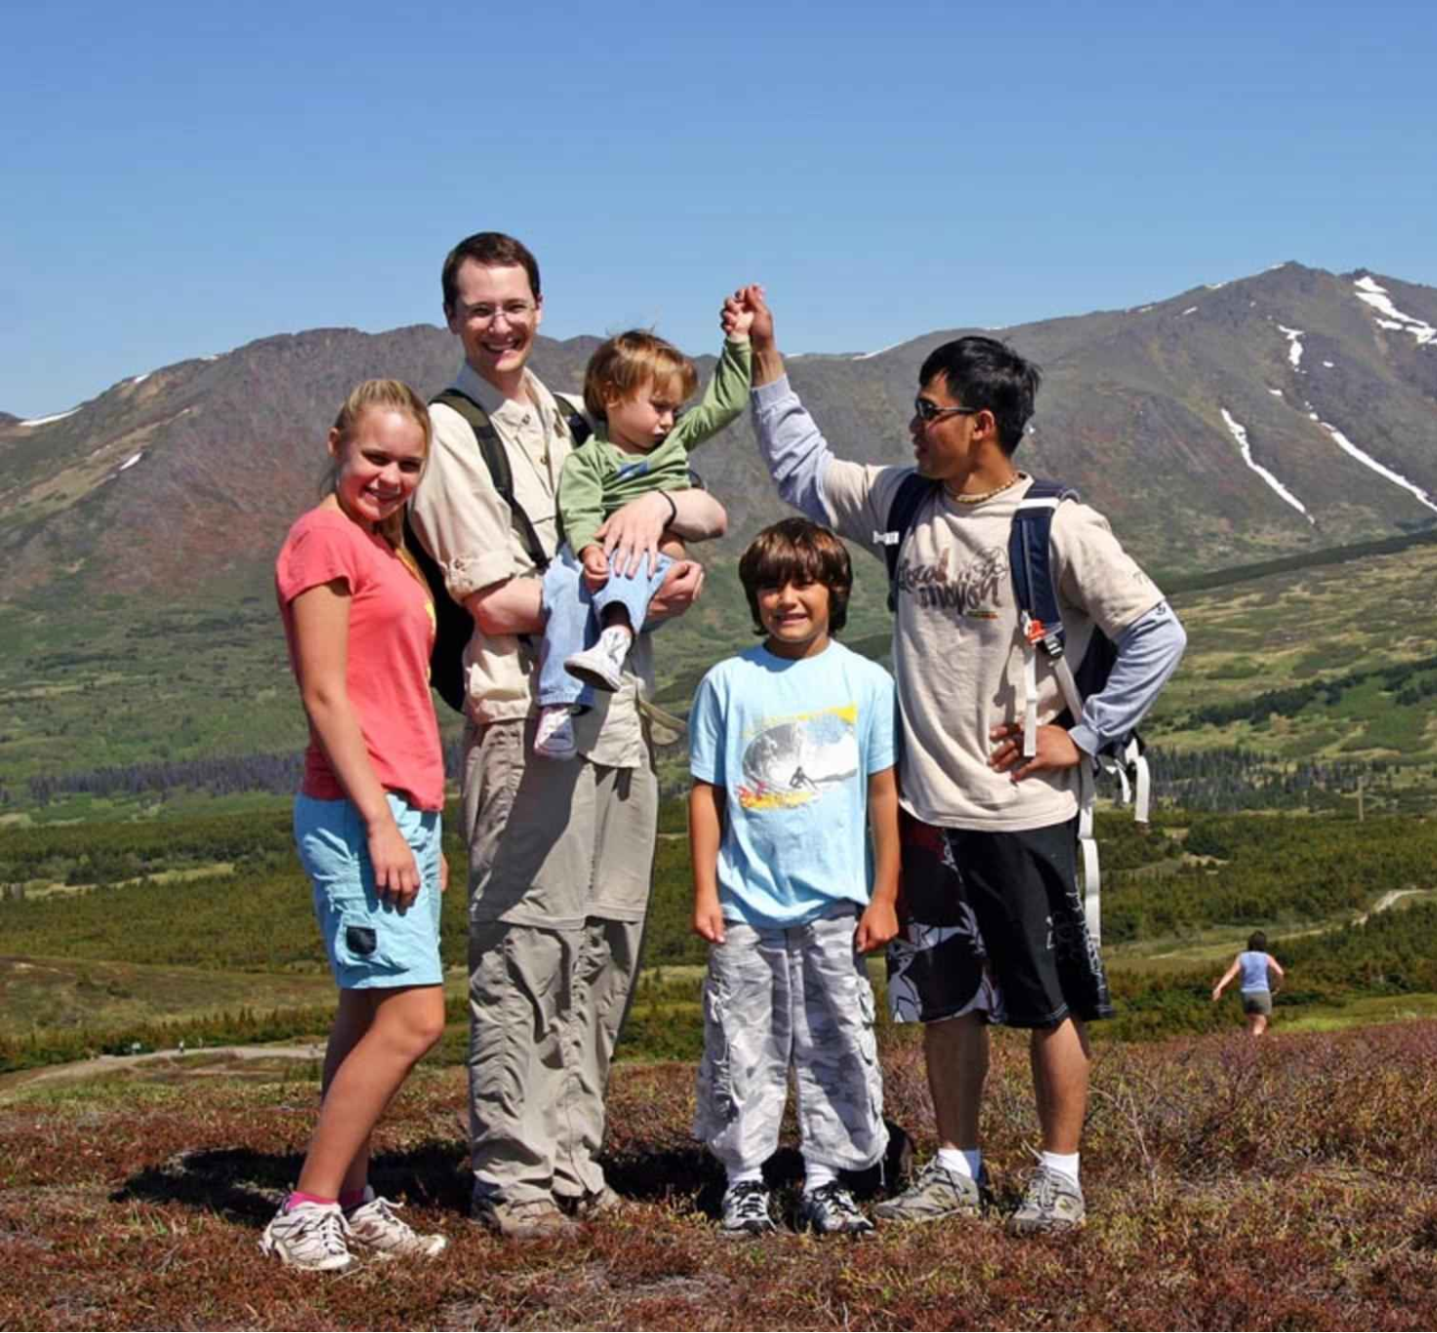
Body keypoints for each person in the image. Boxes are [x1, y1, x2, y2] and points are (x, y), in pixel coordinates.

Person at [737, 285, 1187, 1235]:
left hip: (1023, 813)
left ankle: (1058, 1176)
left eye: (927, 410)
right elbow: (802, 470)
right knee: (945, 998)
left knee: (1046, 1001)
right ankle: (955, 1167)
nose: (913, 426)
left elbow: (1155, 632)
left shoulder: (1056, 527)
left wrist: (1086, 734)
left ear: (981, 425)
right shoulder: (904, 504)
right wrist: (766, 358)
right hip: (927, 813)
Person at [406, 232, 712, 1240]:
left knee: (605, 941)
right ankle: (514, 1170)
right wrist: (638, 581)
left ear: (541, 306)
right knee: (525, 944)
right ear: (454, 318)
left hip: (620, 710)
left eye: (515, 304)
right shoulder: (449, 434)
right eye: (480, 308)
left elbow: (678, 526)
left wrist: (662, 533)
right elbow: (493, 598)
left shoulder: (579, 419)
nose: (501, 324)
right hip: (518, 715)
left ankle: (577, 1153)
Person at [262, 380, 450, 1271]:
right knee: (416, 1018)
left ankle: (350, 1195)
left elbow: (398, 696)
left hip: (399, 808)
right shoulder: (323, 538)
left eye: (408, 463)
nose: (390, 476)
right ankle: (303, 1209)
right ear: (337, 441)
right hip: (356, 808)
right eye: (375, 456)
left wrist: (421, 824)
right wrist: (380, 822)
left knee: (369, 1007)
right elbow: (326, 694)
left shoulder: (386, 545)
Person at [687, 519, 901, 1237]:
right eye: (771, 585)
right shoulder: (727, 683)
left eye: (803, 582)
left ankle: (825, 1175)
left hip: (836, 906)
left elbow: (881, 794)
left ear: (834, 589)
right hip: (746, 904)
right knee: (741, 1040)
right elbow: (704, 793)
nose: (787, 598)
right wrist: (705, 890)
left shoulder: (868, 683)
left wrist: (883, 894)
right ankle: (743, 1177)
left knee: (835, 1037)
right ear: (753, 596)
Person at [533, 325, 750, 760]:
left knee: (632, 567)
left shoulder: (672, 442)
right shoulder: (588, 460)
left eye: (675, 409)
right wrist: (588, 550)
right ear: (613, 397)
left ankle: (614, 639)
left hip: (651, 558)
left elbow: (726, 403)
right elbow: (580, 511)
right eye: (659, 407)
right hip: (605, 551)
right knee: (561, 583)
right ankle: (558, 703)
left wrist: (738, 343)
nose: (669, 420)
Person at [1210, 932, 1285, 1037]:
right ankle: (1254, 1047)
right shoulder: (1266, 957)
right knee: (1261, 1022)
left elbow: (1231, 973)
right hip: (1262, 992)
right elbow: (1280, 972)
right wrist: (1278, 986)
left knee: (1251, 1022)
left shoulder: (1242, 957)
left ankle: (1246, 1048)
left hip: (1246, 994)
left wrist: (1219, 988)